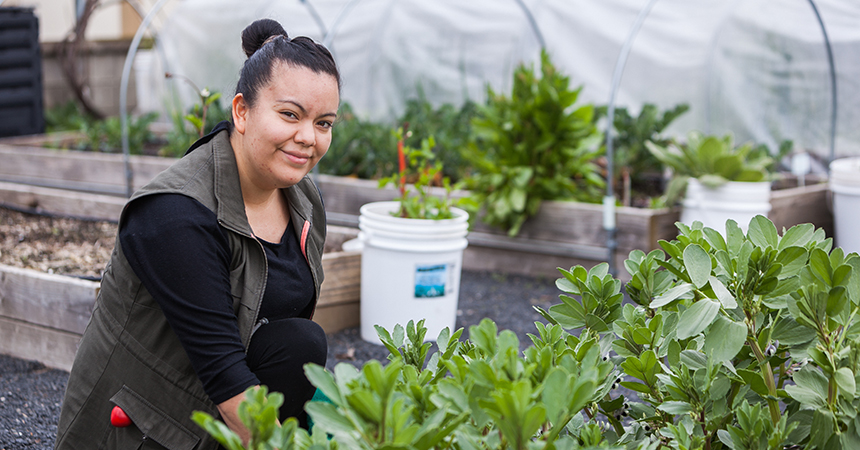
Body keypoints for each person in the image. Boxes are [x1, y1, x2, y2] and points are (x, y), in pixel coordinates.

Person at [54, 18, 340, 449]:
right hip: (140, 425)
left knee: (300, 343)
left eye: (324, 123)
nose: (308, 138)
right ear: (241, 112)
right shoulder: (176, 213)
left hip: (209, 401)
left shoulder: (301, 200)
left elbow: (286, 335)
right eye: (290, 115)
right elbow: (226, 375)